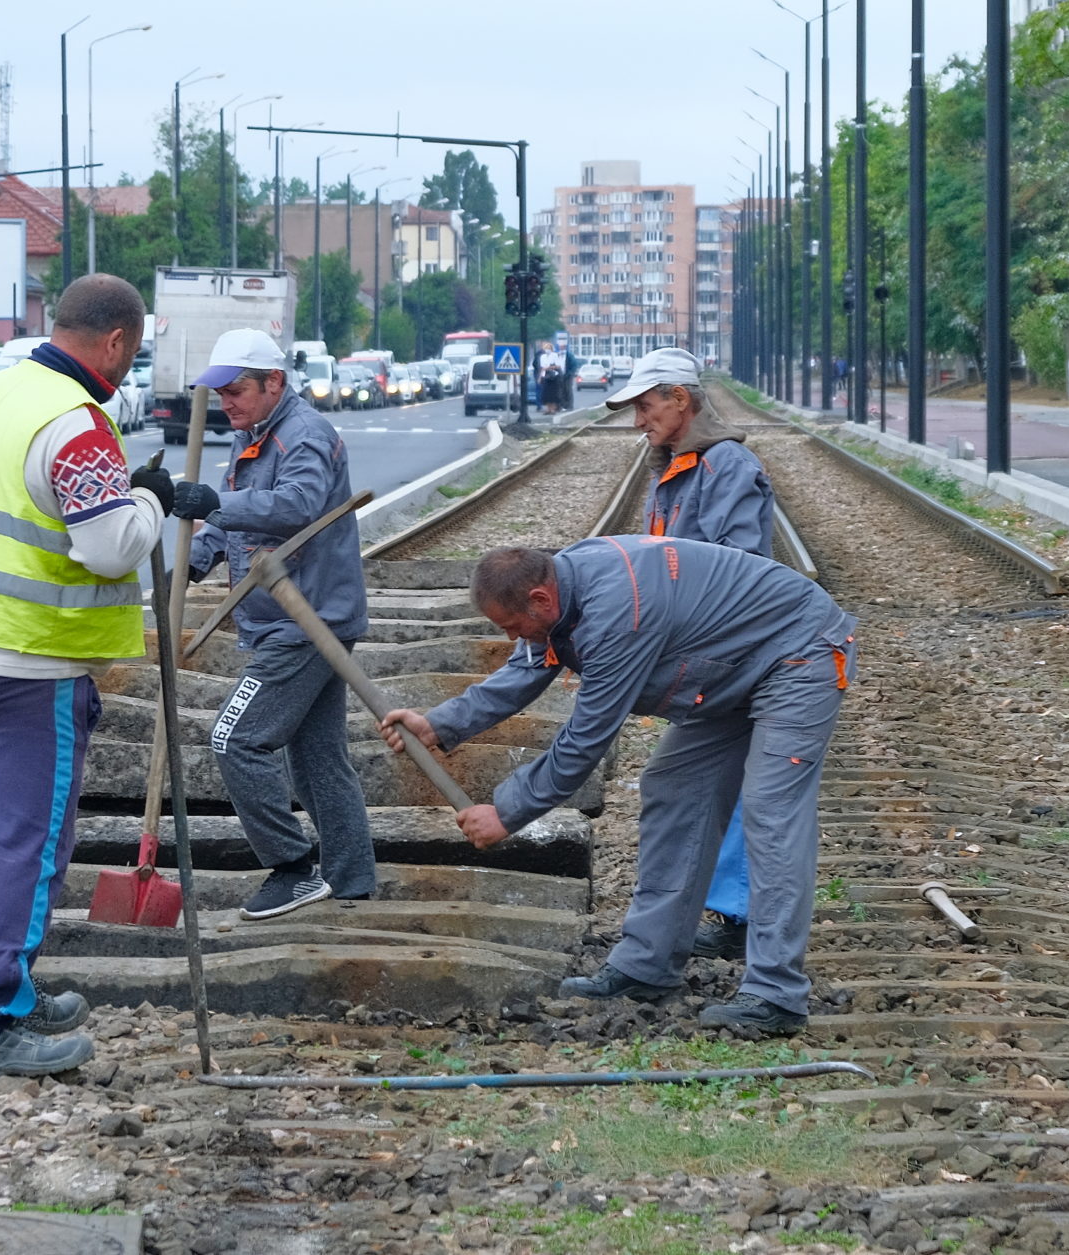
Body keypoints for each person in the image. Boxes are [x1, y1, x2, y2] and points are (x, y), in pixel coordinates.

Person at [380, 539, 855, 1037]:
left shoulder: (617, 615)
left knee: (770, 811)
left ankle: (776, 994)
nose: (512, 637)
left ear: (540, 599)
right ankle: (647, 967)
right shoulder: (561, 589)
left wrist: (506, 811)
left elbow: (585, 739)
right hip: (727, 667)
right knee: (673, 787)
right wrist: (439, 724)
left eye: (512, 625)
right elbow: (528, 666)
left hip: (798, 654)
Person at [0, 272, 168, 1080]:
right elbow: (109, 547)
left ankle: (0, 984)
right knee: (29, 845)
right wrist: (153, 501)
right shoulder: (76, 423)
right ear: (116, 341)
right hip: (27, 664)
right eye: (132, 352)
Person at [171, 329, 373, 919]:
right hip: (287, 619)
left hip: (307, 621)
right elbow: (236, 520)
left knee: (235, 738)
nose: (226, 403)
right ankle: (351, 885)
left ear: (274, 382)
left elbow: (296, 507)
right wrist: (196, 557)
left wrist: (211, 503)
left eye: (235, 391)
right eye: (220, 393)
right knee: (316, 762)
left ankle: (292, 868)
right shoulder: (253, 434)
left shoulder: (305, 435)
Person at [603, 347, 778, 964]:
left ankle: (740, 923)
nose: (638, 421)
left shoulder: (725, 465)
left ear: (681, 399)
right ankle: (725, 917)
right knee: (697, 781)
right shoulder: (678, 468)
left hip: (735, 655)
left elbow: (739, 566)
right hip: (707, 656)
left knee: (731, 785)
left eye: (645, 407)